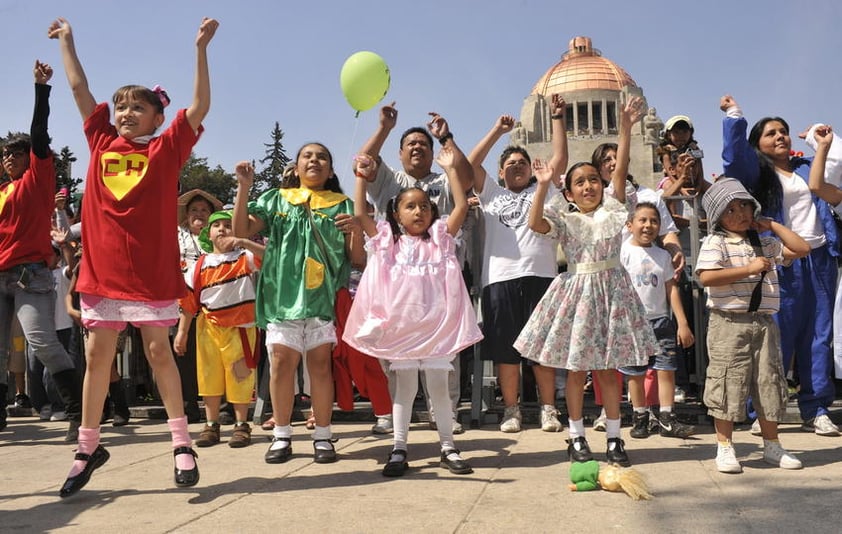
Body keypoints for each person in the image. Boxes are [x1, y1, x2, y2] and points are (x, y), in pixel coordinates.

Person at [49, 16, 219, 497]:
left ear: (156, 117)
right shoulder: (100, 140)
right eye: (121, 106)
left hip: (148, 275)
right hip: (102, 275)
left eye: (137, 107)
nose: (125, 113)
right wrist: (68, 40)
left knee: (157, 351)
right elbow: (80, 87)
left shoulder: (168, 147)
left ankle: (182, 443)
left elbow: (201, 103)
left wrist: (200, 49)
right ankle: (87, 448)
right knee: (97, 357)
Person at [514, 96, 658, 467]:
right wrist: (543, 184)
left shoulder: (614, 208)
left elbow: (622, 169)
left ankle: (614, 437)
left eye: (593, 179)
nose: (589, 187)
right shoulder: (564, 217)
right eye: (580, 182)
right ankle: (576, 436)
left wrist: (625, 127)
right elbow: (534, 225)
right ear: (571, 191)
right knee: (577, 370)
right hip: (578, 291)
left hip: (612, 291)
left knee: (609, 371)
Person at [344, 142, 483, 477]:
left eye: (424, 206)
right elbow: (362, 213)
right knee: (404, 389)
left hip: (436, 327)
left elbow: (461, 205)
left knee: (439, 388)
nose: (418, 212)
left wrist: (450, 169)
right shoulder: (386, 242)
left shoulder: (440, 239)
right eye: (410, 207)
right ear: (396, 213)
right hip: (403, 329)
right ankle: (399, 447)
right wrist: (362, 176)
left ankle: (448, 446)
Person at [232, 147, 364, 465]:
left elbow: (357, 259)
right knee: (280, 365)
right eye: (307, 156)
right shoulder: (277, 199)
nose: (314, 160)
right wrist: (244, 187)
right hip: (282, 296)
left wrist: (357, 230)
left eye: (321, 157)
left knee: (319, 366)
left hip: (322, 297)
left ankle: (322, 435)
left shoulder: (342, 205)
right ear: (298, 165)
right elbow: (239, 232)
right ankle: (281, 434)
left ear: (331, 170)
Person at [721, 94, 839, 436]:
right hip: (783, 260)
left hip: (818, 258)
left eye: (784, 131)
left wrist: (820, 140)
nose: (780, 136)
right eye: (771, 133)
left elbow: (832, 172)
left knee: (819, 337)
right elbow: (732, 159)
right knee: (777, 337)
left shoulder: (805, 168)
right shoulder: (757, 174)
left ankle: (816, 409)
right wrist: (734, 115)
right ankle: (763, 411)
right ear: (758, 143)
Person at [359, 103, 474, 434]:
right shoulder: (390, 182)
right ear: (399, 153)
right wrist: (383, 127)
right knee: (396, 352)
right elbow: (363, 164)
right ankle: (400, 414)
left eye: (424, 144)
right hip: (394, 284)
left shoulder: (444, 178)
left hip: (439, 280)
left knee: (444, 350)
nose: (418, 148)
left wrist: (446, 139)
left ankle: (445, 413)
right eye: (411, 144)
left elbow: (465, 182)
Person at [466, 94, 568, 434]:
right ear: (499, 172)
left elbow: (561, 159)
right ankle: (512, 410)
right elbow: (469, 166)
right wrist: (497, 130)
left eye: (522, 163)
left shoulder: (545, 190)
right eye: (509, 164)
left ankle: (548, 409)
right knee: (506, 352)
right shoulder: (492, 194)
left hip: (541, 276)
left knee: (542, 349)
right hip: (500, 279)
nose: (517, 167)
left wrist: (557, 118)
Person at [696, 177, 809, 473]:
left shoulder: (765, 242)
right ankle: (724, 446)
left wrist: (772, 225)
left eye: (744, 205)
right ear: (717, 218)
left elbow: (801, 248)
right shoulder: (715, 241)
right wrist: (747, 269)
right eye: (730, 210)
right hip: (728, 322)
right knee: (726, 382)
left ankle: (772, 444)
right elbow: (706, 277)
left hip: (764, 322)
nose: (740, 214)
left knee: (769, 381)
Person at [0, 60, 82, 439]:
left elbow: (39, 133)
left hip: (31, 274)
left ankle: (78, 412)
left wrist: (40, 88)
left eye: (16, 154)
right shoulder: (2, 192)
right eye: (5, 156)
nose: (9, 160)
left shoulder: (37, 178)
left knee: (42, 341)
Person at [174, 207, 264, 449]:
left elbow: (271, 257)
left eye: (228, 225)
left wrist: (245, 240)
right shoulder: (199, 265)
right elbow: (189, 303)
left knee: (241, 376)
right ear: (208, 233)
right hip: (208, 328)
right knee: (209, 376)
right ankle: (211, 424)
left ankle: (241, 424)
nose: (223, 229)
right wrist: (182, 332)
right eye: (217, 225)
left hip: (241, 328)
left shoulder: (245, 257)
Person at [619, 202, 695, 439]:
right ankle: (639, 416)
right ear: (630, 225)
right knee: (635, 373)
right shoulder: (622, 253)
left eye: (654, 221)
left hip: (660, 321)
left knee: (666, 369)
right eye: (642, 220)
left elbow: (671, 289)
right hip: (632, 322)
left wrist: (682, 323)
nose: (648, 225)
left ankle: (666, 418)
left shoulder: (662, 255)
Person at [176, 189, 223, 424]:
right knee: (183, 354)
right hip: (180, 301)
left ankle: (219, 405)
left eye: (205, 210)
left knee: (214, 354)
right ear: (186, 213)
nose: (199, 214)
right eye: (194, 209)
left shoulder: (218, 235)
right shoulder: (174, 235)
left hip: (213, 302)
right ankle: (188, 404)